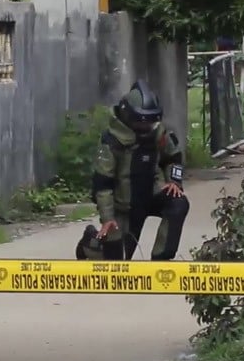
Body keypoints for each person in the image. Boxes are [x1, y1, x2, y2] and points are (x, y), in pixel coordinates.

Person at [79, 80, 190, 261]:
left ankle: (161, 258)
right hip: (124, 205)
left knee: (178, 203)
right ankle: (88, 243)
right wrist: (107, 218)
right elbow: (102, 184)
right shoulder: (112, 141)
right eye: (141, 123)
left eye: (150, 122)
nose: (146, 128)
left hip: (151, 194)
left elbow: (174, 158)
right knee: (117, 263)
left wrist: (174, 181)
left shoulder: (159, 134)